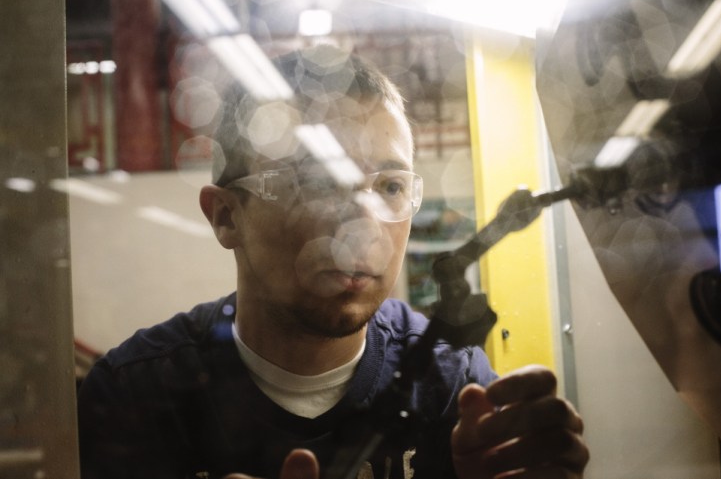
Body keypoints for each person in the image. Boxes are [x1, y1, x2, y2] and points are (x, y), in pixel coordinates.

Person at [77, 45, 589, 479]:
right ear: (226, 216)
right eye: (316, 183)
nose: (360, 226)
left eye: (390, 186)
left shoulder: (451, 385)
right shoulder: (134, 398)